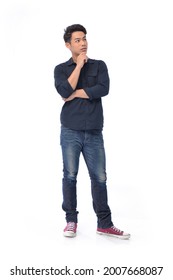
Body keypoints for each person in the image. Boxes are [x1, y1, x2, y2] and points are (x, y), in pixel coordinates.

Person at [54, 24, 130, 239]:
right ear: (68, 45)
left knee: (100, 178)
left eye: (85, 38)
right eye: (77, 40)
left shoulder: (100, 65)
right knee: (70, 176)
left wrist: (75, 93)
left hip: (94, 131)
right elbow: (62, 90)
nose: (83, 43)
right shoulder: (61, 69)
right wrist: (77, 67)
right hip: (70, 130)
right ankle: (71, 221)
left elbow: (103, 89)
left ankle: (104, 224)